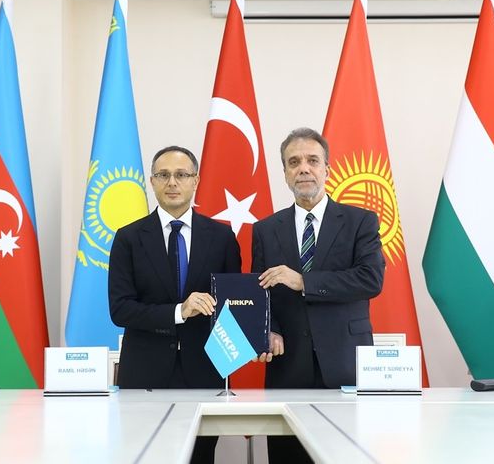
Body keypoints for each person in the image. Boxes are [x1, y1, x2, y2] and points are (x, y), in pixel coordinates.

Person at [252, 127, 385, 462]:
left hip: (346, 367)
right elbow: (261, 293)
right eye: (294, 162)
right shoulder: (265, 229)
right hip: (287, 369)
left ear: (327, 168)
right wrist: (269, 329)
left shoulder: (360, 221)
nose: (304, 168)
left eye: (312, 160)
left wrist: (304, 282)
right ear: (285, 173)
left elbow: (370, 280)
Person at [109, 145, 241, 463]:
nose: (172, 182)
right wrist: (179, 311)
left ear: (196, 181)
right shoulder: (128, 238)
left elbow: (233, 306)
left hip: (205, 372)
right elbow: (120, 309)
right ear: (152, 182)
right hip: (144, 375)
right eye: (163, 175)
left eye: (181, 174)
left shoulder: (222, 237)